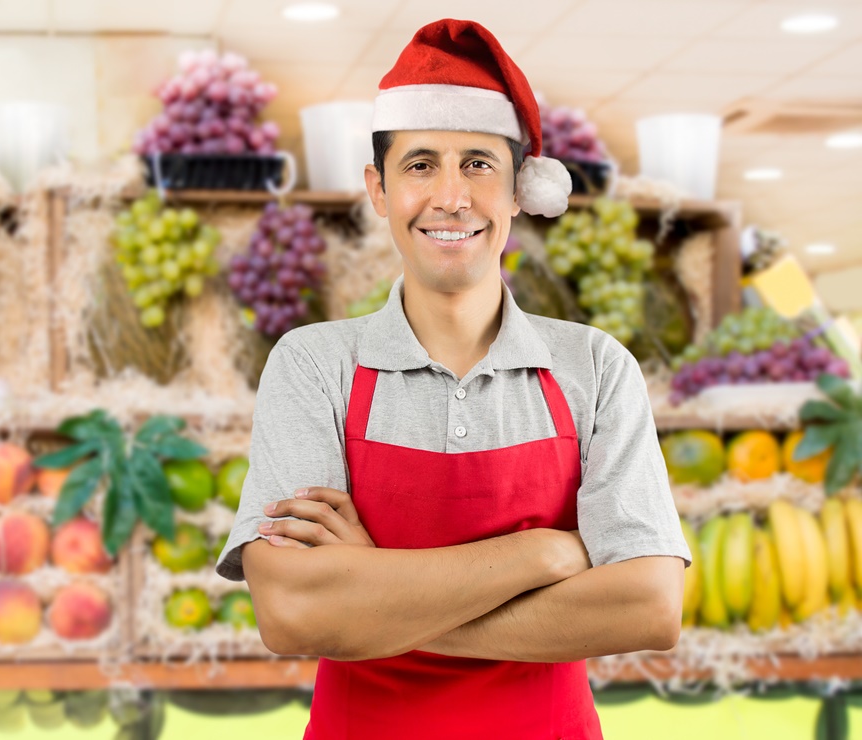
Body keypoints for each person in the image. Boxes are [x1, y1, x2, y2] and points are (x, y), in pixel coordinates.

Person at [215, 18, 691, 740]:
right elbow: (293, 615)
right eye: (419, 165)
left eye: (477, 164)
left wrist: (373, 599)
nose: (450, 197)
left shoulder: (594, 368)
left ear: (517, 190)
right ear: (378, 189)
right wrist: (545, 553)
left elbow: (649, 608)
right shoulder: (316, 366)